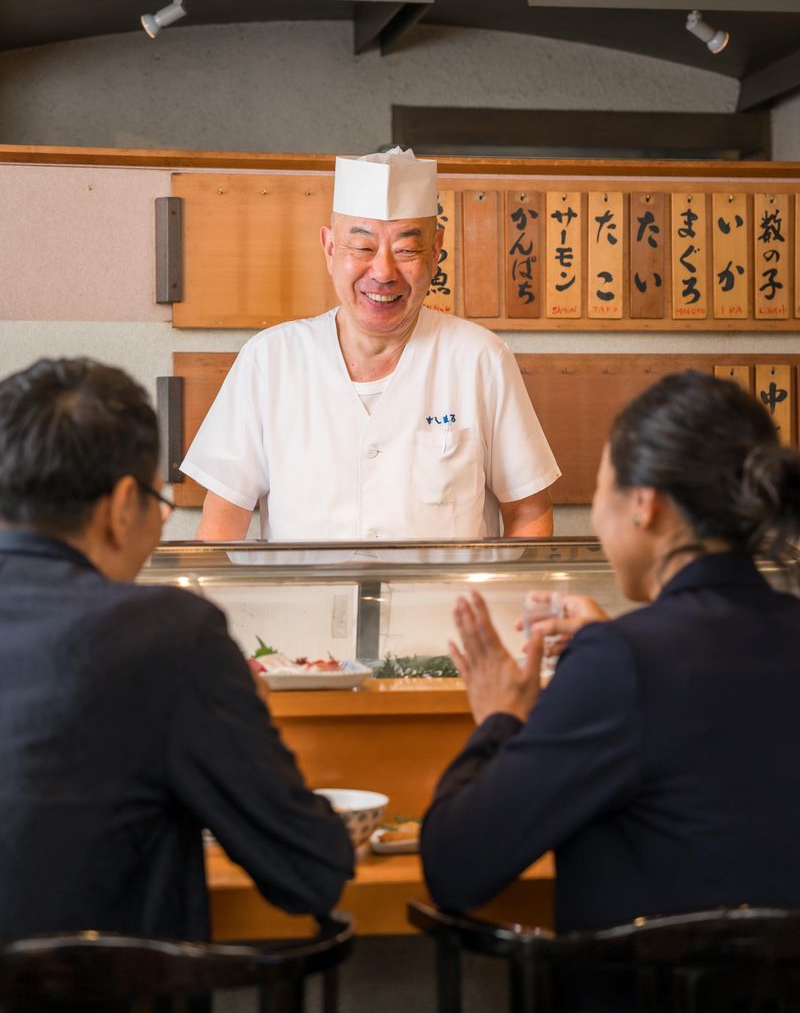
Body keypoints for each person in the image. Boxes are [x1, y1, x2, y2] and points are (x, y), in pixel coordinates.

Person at [421, 372, 800, 999]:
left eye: (599, 489)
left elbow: (454, 867)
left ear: (644, 503)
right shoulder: (635, 654)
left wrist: (500, 720)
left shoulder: (622, 663)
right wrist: (617, 643)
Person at [0, 357, 353, 940]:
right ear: (120, 508)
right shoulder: (166, 635)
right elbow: (312, 871)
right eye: (158, 505)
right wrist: (249, 719)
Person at [181, 147, 559, 542]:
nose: (382, 272)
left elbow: (529, 510)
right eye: (362, 248)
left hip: (445, 604)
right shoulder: (269, 360)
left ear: (435, 252)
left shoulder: (480, 358)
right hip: (300, 604)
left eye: (406, 250)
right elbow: (224, 516)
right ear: (329, 249)